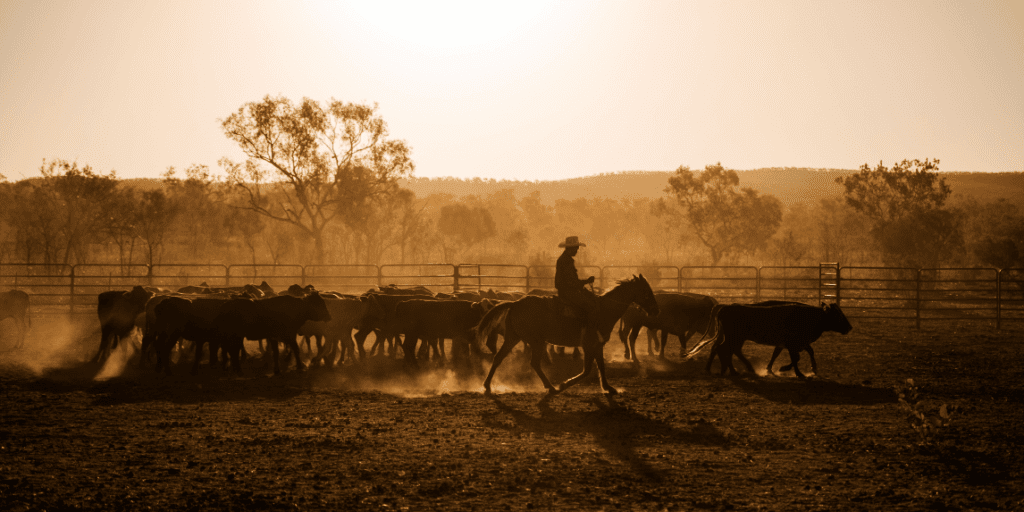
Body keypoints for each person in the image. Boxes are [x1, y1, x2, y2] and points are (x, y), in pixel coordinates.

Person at [554, 236, 600, 339]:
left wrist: (584, 282)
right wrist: (585, 282)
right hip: (568, 292)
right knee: (589, 306)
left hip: (567, 291)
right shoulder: (567, 261)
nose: (577, 250)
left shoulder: (565, 259)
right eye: (576, 248)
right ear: (570, 248)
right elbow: (571, 282)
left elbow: (571, 281)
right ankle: (588, 334)